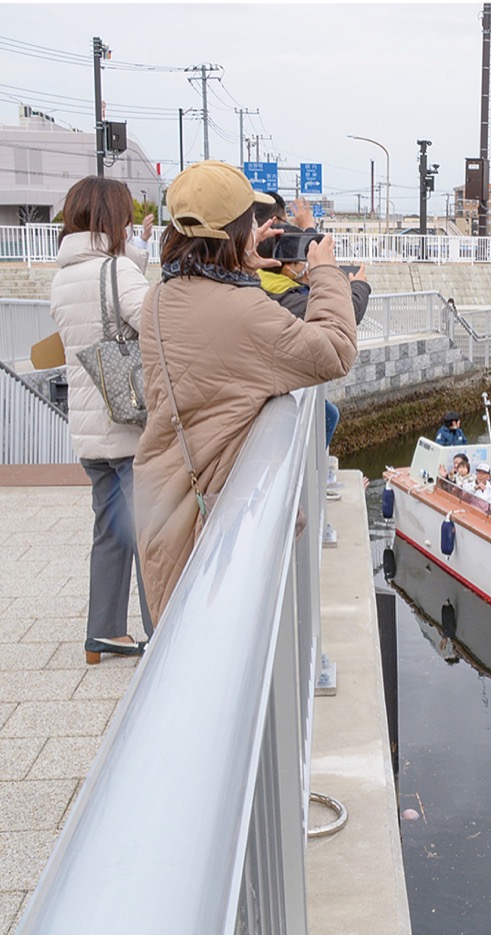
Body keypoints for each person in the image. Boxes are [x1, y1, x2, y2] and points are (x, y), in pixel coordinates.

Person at [134, 160, 357, 625]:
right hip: (210, 521)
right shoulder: (243, 310)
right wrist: (326, 272)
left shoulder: (161, 294)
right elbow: (335, 350)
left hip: (162, 502)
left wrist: (239, 261)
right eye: (250, 224)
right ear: (238, 231)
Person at [50, 176, 154, 662]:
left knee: (111, 531)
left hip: (90, 432)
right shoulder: (117, 270)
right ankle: (166, 633)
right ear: (115, 220)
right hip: (130, 426)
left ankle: (104, 632)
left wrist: (134, 258)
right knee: (152, 534)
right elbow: (153, 325)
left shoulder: (64, 275)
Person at [255, 223, 370, 450]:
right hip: (271, 393)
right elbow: (345, 319)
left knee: (329, 413)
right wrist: (359, 286)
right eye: (302, 261)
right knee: (329, 416)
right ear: (286, 266)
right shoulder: (285, 298)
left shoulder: (264, 284)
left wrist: (308, 226)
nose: (307, 266)